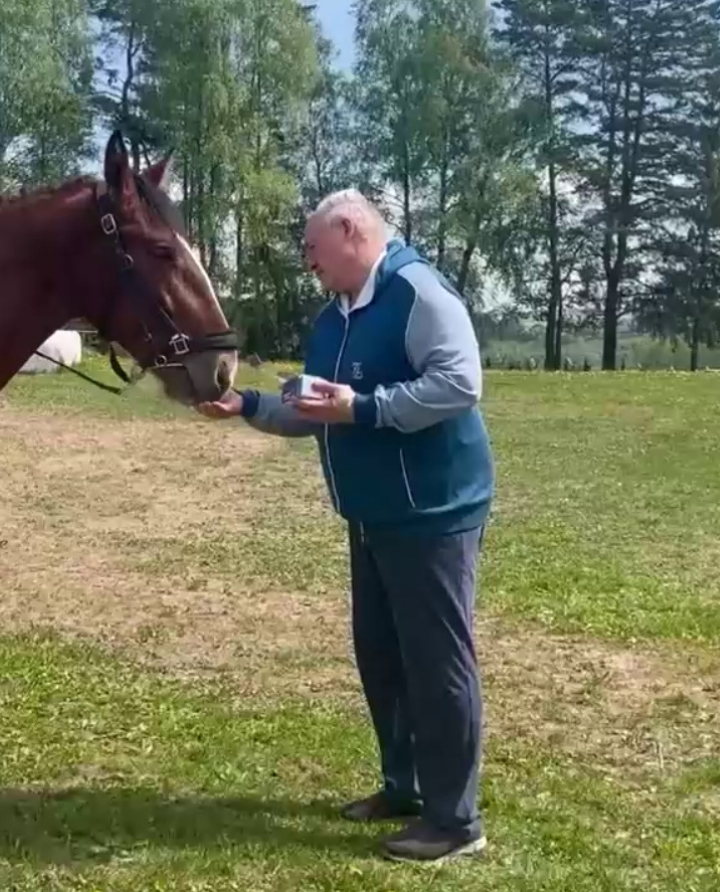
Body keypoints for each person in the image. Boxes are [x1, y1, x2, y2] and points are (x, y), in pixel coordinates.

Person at [195, 188, 495, 863]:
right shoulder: (335, 318)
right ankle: (405, 786)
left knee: (437, 663)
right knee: (382, 657)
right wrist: (248, 404)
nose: (307, 261)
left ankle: (455, 822)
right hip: (370, 514)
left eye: (313, 247)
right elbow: (316, 407)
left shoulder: (417, 293)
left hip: (433, 514)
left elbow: (459, 383)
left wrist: (365, 407)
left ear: (352, 231)